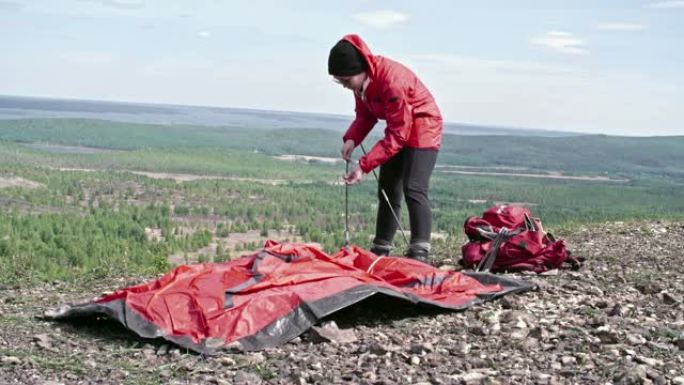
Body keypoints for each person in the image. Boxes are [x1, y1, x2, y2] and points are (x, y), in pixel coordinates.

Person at [328, 34, 443, 262]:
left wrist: (363, 165)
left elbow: (399, 134)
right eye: (339, 81)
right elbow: (365, 115)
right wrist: (352, 139)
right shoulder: (361, 83)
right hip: (400, 127)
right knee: (388, 186)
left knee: (414, 187)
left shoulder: (392, 81)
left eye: (346, 80)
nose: (344, 86)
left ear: (361, 69)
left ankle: (419, 251)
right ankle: (381, 248)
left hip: (424, 126)